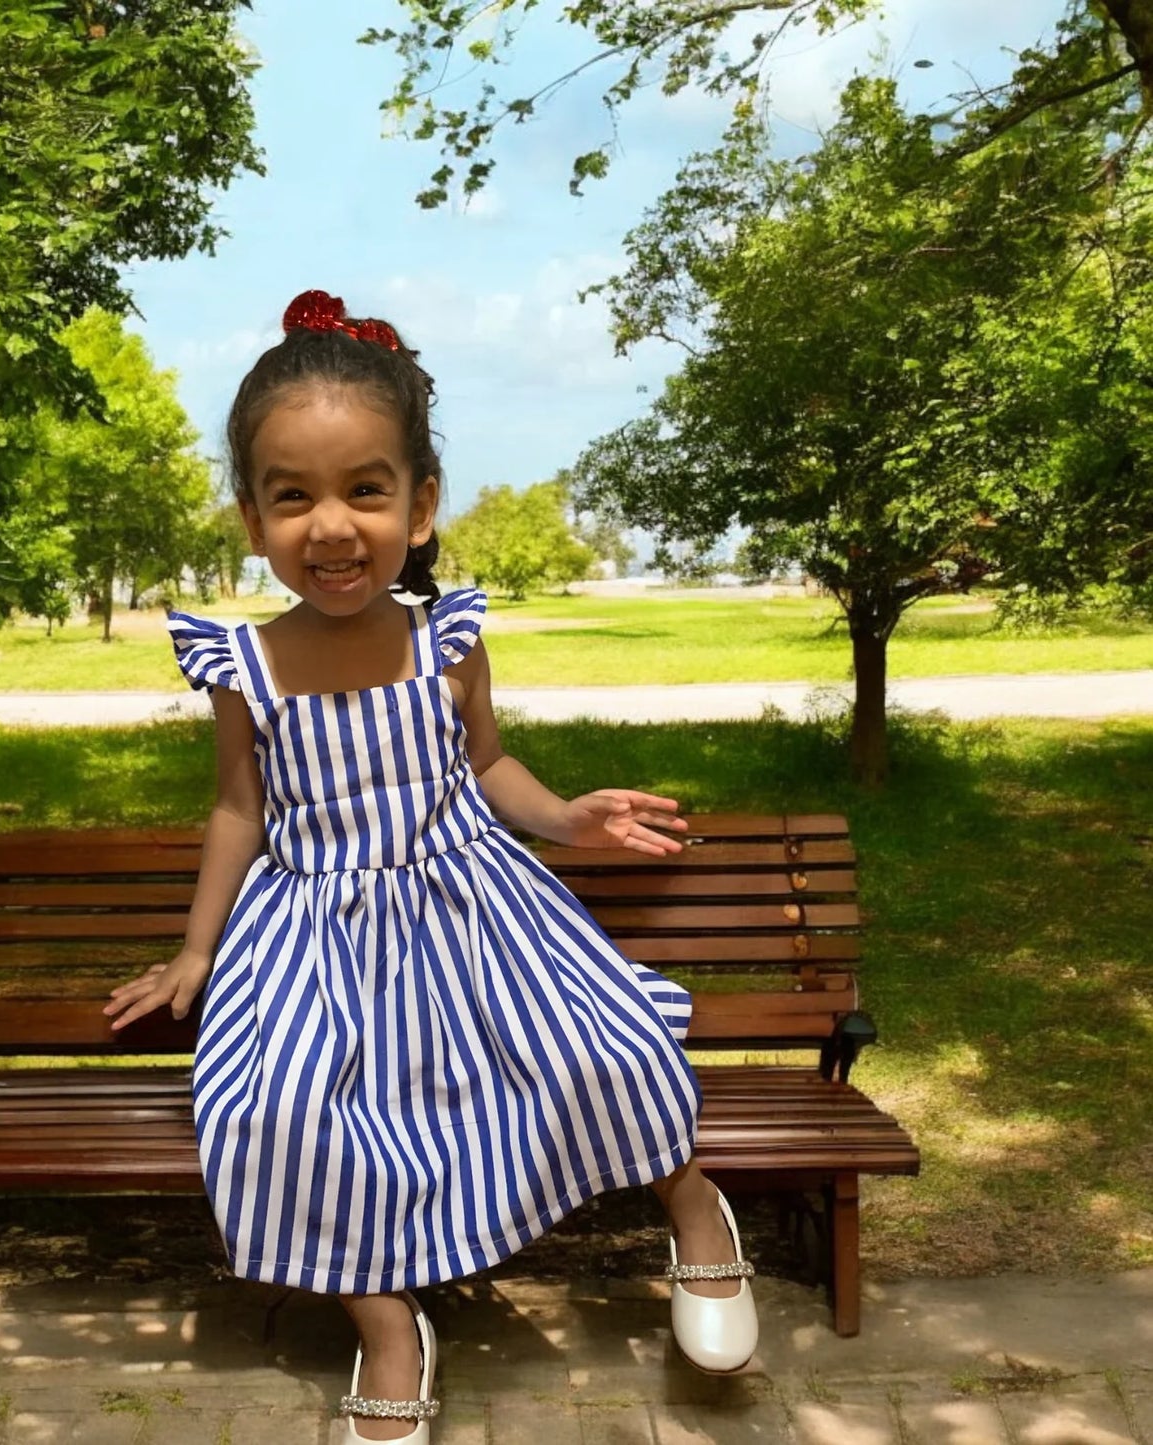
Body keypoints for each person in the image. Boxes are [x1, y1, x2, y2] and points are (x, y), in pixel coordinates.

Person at [104, 290, 758, 1443]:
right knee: (277, 1102)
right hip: (311, 932)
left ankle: (695, 1207)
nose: (331, 524)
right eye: (290, 495)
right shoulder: (241, 665)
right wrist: (196, 949)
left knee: (600, 1036)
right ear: (251, 519)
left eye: (364, 487)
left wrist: (566, 819)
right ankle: (389, 1322)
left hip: (471, 905)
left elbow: (489, 767)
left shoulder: (443, 638)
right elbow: (234, 808)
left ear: (418, 503)